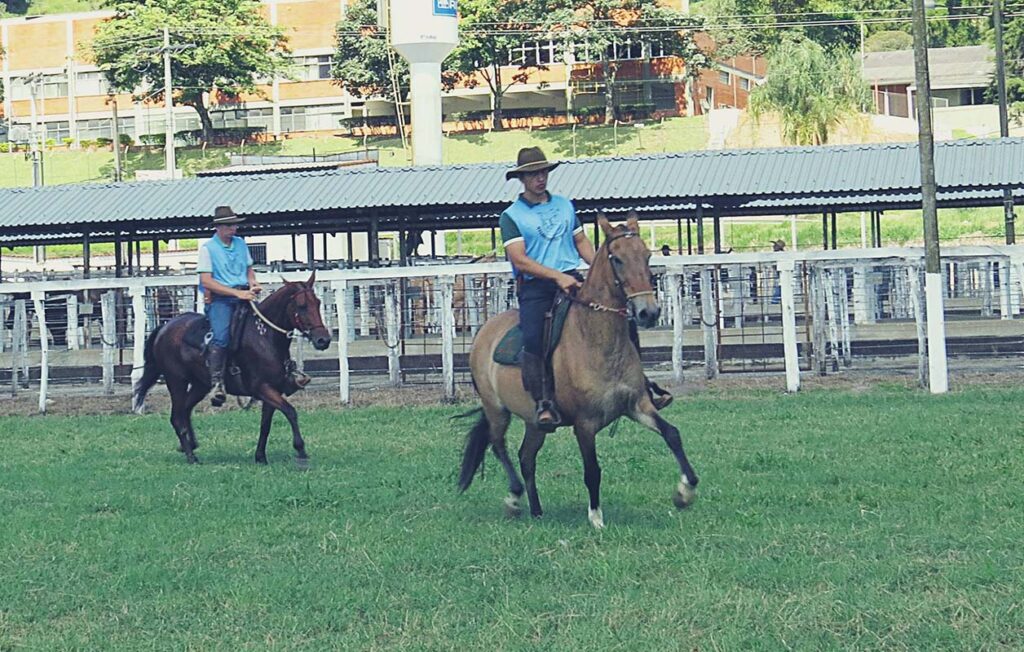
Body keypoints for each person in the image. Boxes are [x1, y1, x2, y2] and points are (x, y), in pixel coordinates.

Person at [500, 147, 670, 429]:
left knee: (621, 319)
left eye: (543, 172)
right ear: (522, 179)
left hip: (572, 279)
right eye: (533, 174)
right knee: (533, 336)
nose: (540, 178)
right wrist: (556, 277)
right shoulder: (512, 216)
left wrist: (599, 271)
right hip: (536, 287)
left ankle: (642, 387)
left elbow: (580, 242)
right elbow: (520, 259)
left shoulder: (565, 206)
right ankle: (544, 401)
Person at [197, 206, 262, 406]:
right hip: (221, 299)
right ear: (218, 227)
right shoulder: (208, 249)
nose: (233, 228)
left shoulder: (240, 244)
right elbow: (206, 281)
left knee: (266, 328)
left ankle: (282, 370)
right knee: (222, 337)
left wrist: (253, 282)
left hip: (244, 294)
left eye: (234, 224)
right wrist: (237, 293)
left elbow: (249, 269)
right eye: (228, 225)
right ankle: (216, 382)